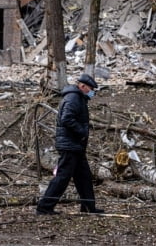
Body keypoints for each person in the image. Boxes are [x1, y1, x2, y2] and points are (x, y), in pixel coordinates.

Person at [36, 73, 104, 215]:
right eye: (90, 89)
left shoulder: (78, 98)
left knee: (84, 177)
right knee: (62, 177)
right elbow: (67, 118)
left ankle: (88, 207)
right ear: (82, 86)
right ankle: (44, 207)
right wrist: (82, 132)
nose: (92, 92)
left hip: (75, 145)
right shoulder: (73, 98)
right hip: (70, 145)